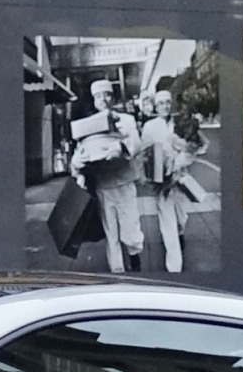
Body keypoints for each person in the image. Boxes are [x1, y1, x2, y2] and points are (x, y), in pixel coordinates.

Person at [73, 78, 145, 273]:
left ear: (112, 97)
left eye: (106, 95)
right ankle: (118, 272)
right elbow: (79, 153)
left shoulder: (126, 120)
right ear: (94, 100)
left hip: (124, 182)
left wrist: (121, 146)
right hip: (102, 185)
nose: (102, 100)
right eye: (98, 96)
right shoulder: (88, 125)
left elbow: (137, 145)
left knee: (130, 232)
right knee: (111, 234)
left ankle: (134, 259)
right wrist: (76, 164)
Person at [138, 88, 195, 275]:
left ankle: (180, 233)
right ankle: (174, 269)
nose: (165, 106)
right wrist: (148, 174)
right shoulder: (150, 127)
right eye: (161, 103)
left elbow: (191, 149)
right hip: (160, 181)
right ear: (156, 106)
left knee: (182, 218)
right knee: (167, 224)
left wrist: (180, 158)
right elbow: (144, 153)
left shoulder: (179, 124)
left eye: (167, 103)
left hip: (180, 178)